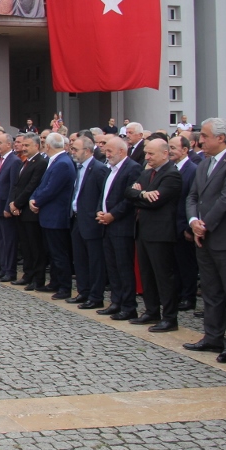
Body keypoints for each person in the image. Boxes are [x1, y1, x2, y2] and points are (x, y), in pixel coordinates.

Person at [125, 138, 183, 332]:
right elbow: (129, 193)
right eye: (146, 153)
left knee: (163, 276)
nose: (147, 157)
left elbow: (156, 200)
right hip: (142, 231)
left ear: (165, 153)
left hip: (160, 233)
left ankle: (169, 317)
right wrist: (141, 195)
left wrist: (140, 195)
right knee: (146, 274)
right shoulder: (147, 172)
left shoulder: (171, 175)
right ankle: (151, 311)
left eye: (151, 154)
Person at [184, 118, 226, 363]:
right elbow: (192, 196)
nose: (201, 140)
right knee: (211, 291)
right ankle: (212, 336)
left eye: (206, 136)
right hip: (203, 238)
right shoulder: (204, 162)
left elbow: (225, 198)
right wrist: (193, 221)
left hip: (222, 237)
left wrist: (205, 225)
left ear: (220, 138)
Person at [95, 136, 143, 321]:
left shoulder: (132, 168)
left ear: (122, 151)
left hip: (122, 226)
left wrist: (112, 214)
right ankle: (116, 302)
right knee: (112, 267)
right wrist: (100, 211)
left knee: (124, 267)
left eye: (109, 151)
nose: (106, 155)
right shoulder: (110, 169)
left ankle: (128, 306)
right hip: (107, 224)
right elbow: (104, 193)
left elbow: (129, 199)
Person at [28, 133, 77, 299]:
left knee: (59, 253)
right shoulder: (55, 161)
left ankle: (64, 287)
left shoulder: (62, 163)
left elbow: (51, 189)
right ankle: (55, 282)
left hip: (57, 215)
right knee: (52, 252)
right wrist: (34, 199)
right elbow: (42, 184)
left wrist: (37, 201)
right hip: (49, 213)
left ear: (47, 146)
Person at [67, 136, 110, 309]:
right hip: (77, 219)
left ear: (87, 150)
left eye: (76, 149)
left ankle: (95, 295)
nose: (73, 152)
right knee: (80, 260)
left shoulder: (98, 169)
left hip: (92, 221)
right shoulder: (77, 168)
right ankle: (83, 291)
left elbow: (102, 195)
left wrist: (97, 214)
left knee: (95, 261)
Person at [9, 133, 48, 290]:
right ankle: (27, 274)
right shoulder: (24, 163)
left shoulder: (40, 163)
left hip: (30, 211)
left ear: (37, 146)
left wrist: (17, 203)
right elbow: (17, 185)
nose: (23, 148)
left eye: (27, 146)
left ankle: (38, 279)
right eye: (23, 145)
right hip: (19, 209)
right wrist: (13, 203)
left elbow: (31, 186)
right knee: (25, 245)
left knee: (35, 247)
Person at [169, 135, 199, 311]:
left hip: (184, 224)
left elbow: (193, 198)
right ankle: (178, 294)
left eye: (173, 148)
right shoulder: (171, 169)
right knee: (175, 263)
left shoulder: (192, 169)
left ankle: (189, 297)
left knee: (187, 265)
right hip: (170, 225)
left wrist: (189, 226)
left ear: (185, 150)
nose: (170, 151)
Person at [0, 133, 20, 282]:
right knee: (0, 240)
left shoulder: (14, 161)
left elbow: (13, 186)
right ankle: (3, 267)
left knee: (9, 241)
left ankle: (10, 270)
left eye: (0, 143)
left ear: (9, 144)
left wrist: (8, 206)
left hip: (5, 206)